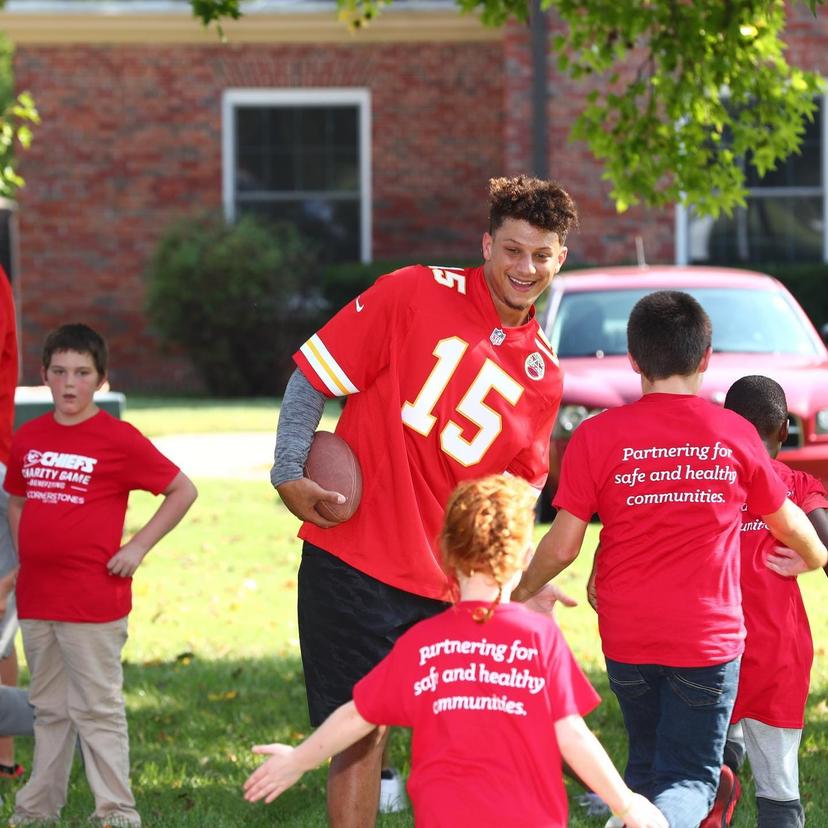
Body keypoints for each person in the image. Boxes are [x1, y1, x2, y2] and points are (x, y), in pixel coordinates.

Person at [272, 175, 577, 827]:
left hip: (447, 584)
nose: (526, 268)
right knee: (358, 736)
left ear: (561, 259)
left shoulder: (545, 376)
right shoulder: (412, 290)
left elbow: (516, 498)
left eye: (541, 255)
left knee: (464, 736)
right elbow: (312, 377)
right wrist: (286, 469)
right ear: (486, 244)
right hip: (352, 560)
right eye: (513, 250)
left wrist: (517, 586)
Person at [511, 290, 828, 828]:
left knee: (650, 765)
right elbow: (789, 519)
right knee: (690, 780)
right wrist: (814, 556)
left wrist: (519, 592)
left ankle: (637, 813)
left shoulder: (596, 435)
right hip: (706, 641)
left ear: (634, 361)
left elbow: (563, 544)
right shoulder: (732, 433)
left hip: (627, 635)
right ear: (706, 359)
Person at [245, 474, 667, 828]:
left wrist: (300, 758)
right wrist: (626, 803)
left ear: (446, 553)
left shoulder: (422, 643)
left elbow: (358, 714)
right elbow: (570, 733)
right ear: (523, 557)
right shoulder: (538, 638)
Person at [3, 323, 198, 827]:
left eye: (82, 374)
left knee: (96, 708)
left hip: (93, 601)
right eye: (60, 372)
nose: (70, 384)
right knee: (49, 708)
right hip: (40, 598)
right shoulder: (28, 439)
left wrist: (136, 546)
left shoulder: (119, 440)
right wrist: (28, 560)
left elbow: (182, 490)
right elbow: (18, 501)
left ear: (101, 380)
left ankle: (116, 811)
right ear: (43, 376)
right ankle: (37, 808)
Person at [721, 375, 828, 828]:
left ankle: (722, 768)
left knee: (707, 749)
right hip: (776, 658)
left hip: (707, 650)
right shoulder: (797, 485)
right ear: (784, 429)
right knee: (780, 792)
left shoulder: (705, 486)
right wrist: (811, 555)